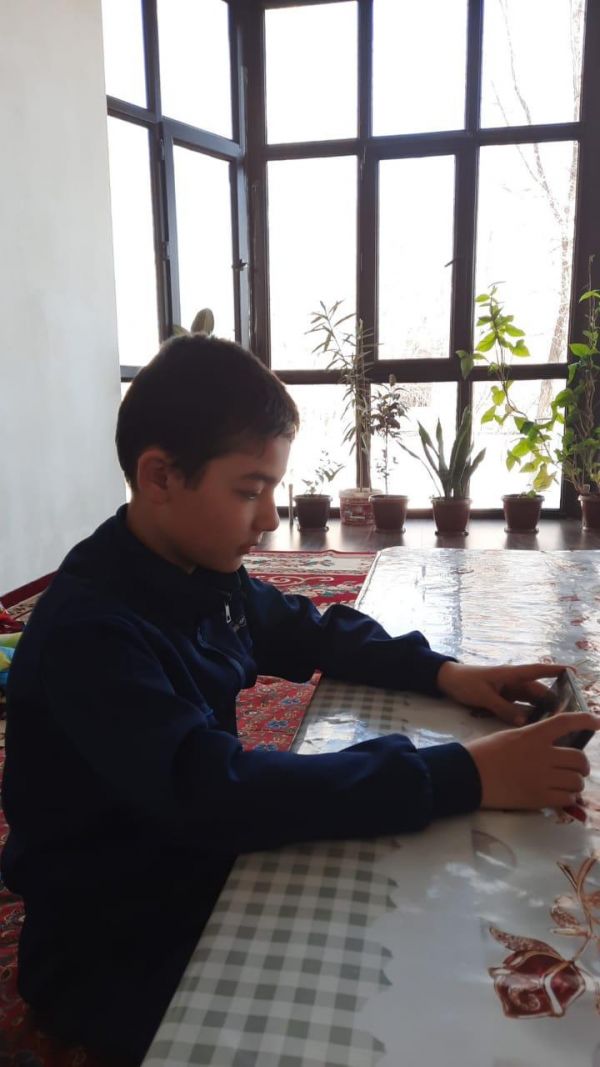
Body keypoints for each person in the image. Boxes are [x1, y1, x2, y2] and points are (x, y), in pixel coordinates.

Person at [2, 334, 596, 1064]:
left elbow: (305, 628)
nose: (269, 518)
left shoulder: (192, 567)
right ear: (160, 476)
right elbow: (213, 788)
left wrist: (444, 673)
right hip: (112, 943)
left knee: (400, 893)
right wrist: (464, 774)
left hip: (187, 855)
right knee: (388, 989)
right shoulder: (90, 635)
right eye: (249, 490)